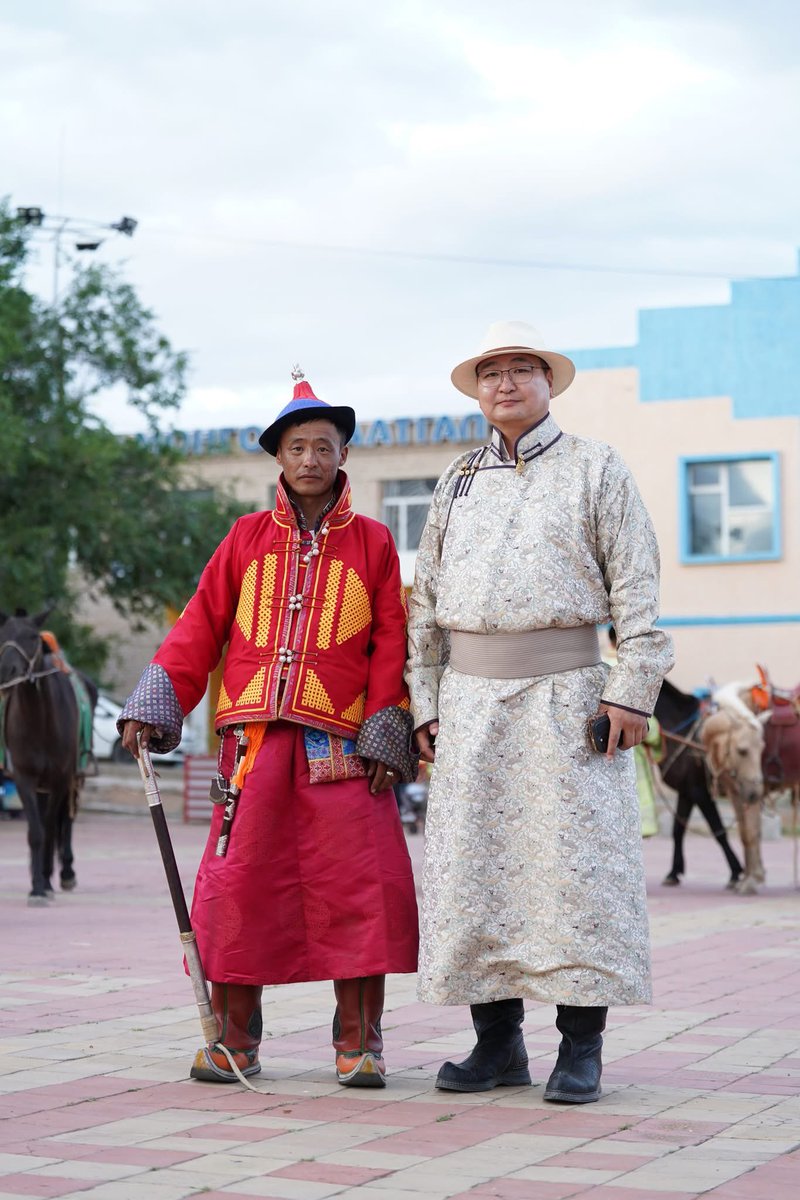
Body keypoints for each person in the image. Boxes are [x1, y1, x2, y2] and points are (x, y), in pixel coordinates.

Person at [119, 369, 419, 1088]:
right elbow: (201, 623)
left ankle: (359, 1046)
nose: (311, 459)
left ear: (343, 456)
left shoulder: (374, 543)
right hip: (251, 746)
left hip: (342, 747)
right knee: (239, 889)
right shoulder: (245, 538)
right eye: (297, 447)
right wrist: (156, 703)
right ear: (278, 458)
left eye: (324, 446)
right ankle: (234, 1043)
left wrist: (386, 728)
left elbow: (390, 639)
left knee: (359, 887)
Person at [406, 321, 674, 1103]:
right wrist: (425, 702)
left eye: (524, 369)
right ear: (477, 390)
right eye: (492, 372)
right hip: (469, 705)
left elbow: (637, 586)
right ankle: (497, 1047)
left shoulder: (597, 467)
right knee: (472, 874)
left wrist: (632, 688)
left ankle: (581, 1050)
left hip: (570, 703)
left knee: (575, 876)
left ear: (549, 383)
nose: (507, 383)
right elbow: (425, 602)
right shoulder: (456, 480)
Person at [606, 626, 662, 838]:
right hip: (628, 750)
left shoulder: (595, 664)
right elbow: (647, 725)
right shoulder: (631, 671)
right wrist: (655, 735)